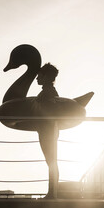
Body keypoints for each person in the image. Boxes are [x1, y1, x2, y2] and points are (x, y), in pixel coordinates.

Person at [36, 63, 60, 198]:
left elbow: (50, 109)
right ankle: (52, 192)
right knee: (50, 161)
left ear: (46, 76)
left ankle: (52, 193)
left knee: (51, 161)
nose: (36, 78)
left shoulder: (49, 92)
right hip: (46, 130)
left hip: (48, 131)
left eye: (39, 75)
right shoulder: (48, 91)